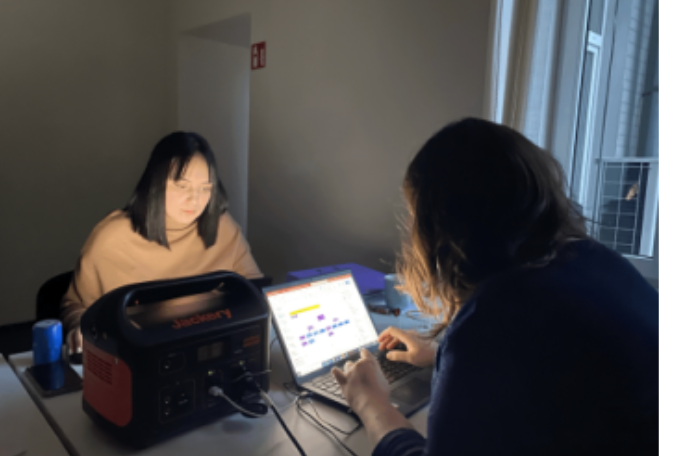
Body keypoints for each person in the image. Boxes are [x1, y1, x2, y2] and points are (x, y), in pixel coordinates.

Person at [332, 118, 658, 455]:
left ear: (443, 228)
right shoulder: (596, 260)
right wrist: (441, 356)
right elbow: (554, 373)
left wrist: (369, 403)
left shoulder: (495, 317)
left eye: (415, 216)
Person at [60, 132, 262, 353]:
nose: (195, 199)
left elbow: (255, 292)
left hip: (208, 349)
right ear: (156, 184)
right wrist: (79, 327)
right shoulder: (112, 237)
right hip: (136, 353)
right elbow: (75, 305)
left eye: (205, 188)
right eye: (182, 186)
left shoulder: (222, 227)